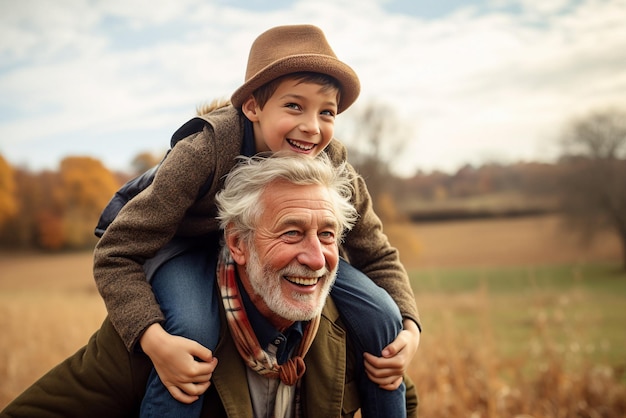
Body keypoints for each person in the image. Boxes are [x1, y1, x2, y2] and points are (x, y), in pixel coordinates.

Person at [93, 24, 421, 418]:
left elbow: (377, 252)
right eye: (294, 106)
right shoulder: (205, 151)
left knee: (384, 317)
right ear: (252, 107)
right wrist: (151, 339)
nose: (312, 127)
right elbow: (115, 252)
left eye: (327, 112)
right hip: (184, 244)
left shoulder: (332, 163)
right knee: (193, 332)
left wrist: (412, 329)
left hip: (279, 244)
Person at [0, 153, 419, 418]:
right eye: (291, 233)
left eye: (327, 235)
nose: (316, 258)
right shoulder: (161, 340)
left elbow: (404, 403)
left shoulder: (353, 330)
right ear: (238, 243)